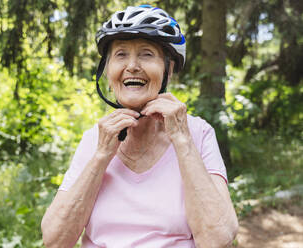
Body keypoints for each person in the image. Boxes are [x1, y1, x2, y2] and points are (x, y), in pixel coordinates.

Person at [41, 5, 238, 248]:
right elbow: (55, 240)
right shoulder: (95, 139)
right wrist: (102, 155)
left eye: (146, 54)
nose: (132, 66)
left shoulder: (197, 133)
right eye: (121, 55)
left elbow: (218, 239)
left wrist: (182, 139)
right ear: (108, 71)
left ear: (169, 68)